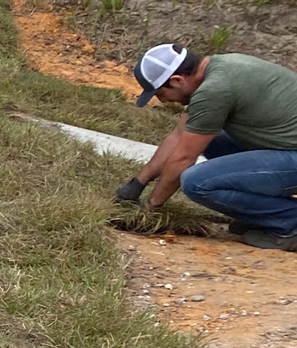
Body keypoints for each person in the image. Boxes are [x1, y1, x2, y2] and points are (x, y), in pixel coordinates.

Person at [116, 43, 297, 250]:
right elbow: (179, 136)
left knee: (196, 182)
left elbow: (184, 158)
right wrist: (138, 183)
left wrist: (151, 207)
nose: (164, 102)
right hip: (289, 148)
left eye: (160, 94)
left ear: (176, 81)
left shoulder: (214, 90)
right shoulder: (221, 67)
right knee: (214, 140)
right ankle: (266, 213)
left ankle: (290, 222)